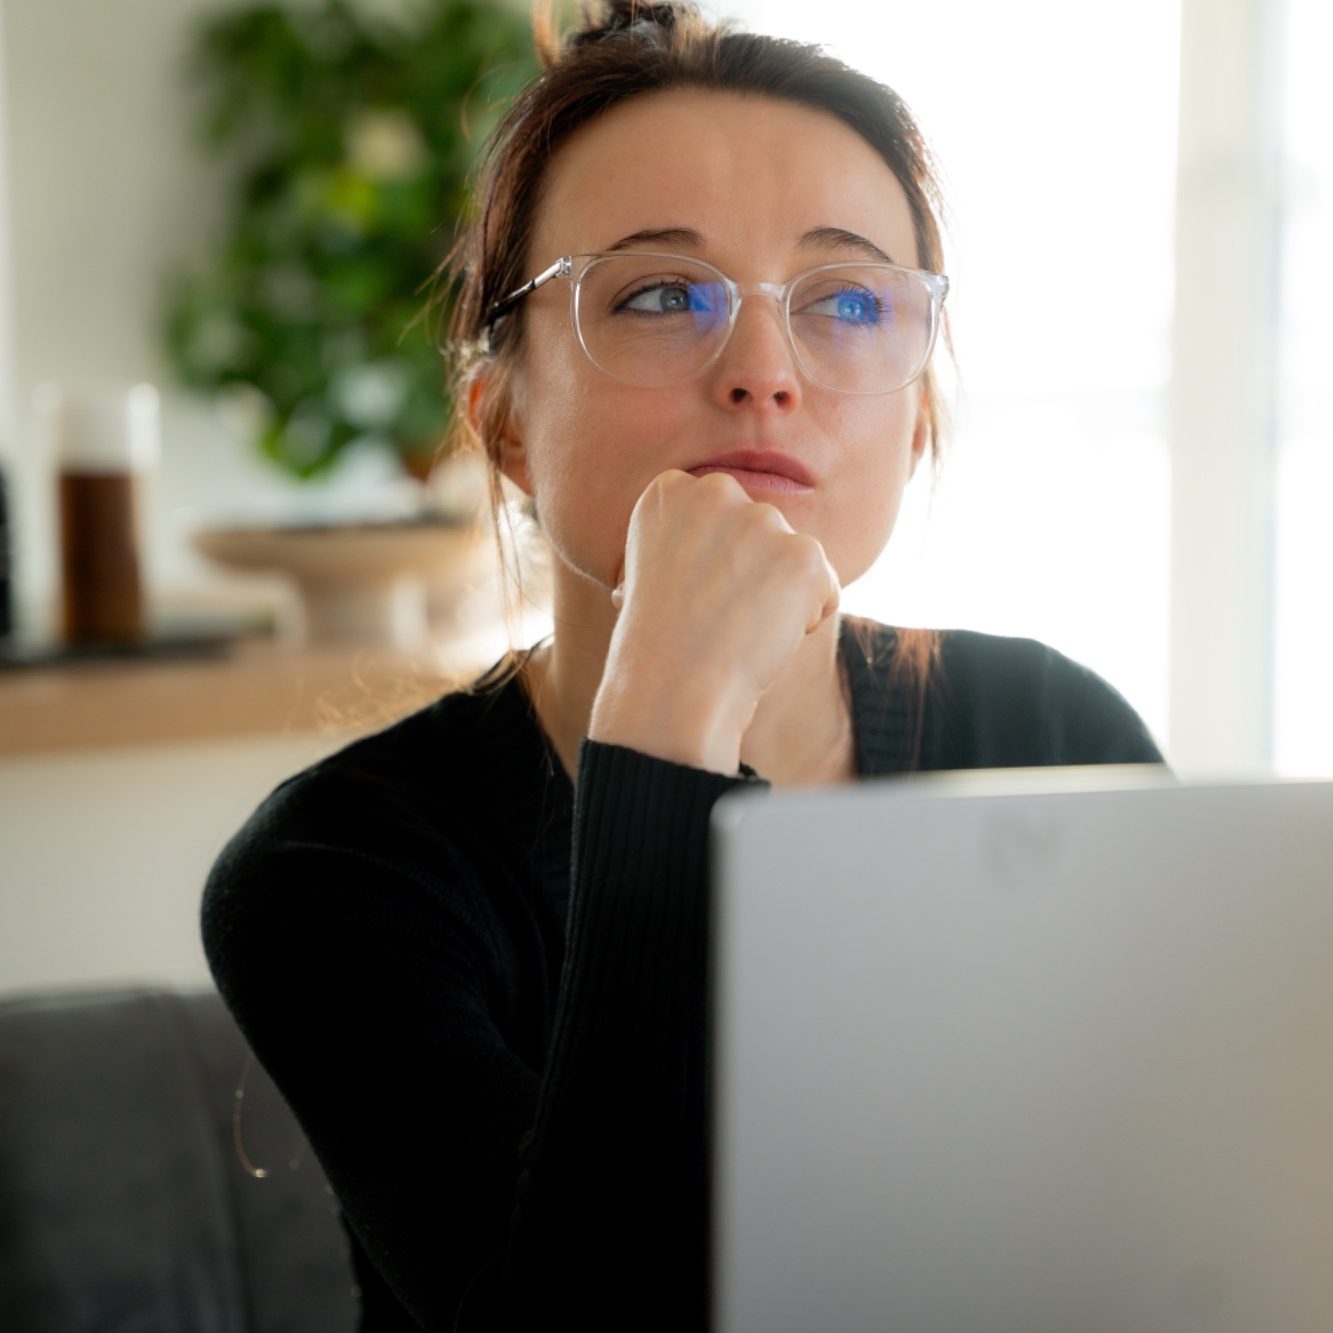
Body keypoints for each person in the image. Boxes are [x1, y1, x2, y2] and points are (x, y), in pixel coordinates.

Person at [202, 3, 1164, 1329]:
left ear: (920, 418)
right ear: (504, 427)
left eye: (844, 299)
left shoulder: (1050, 732)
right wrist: (658, 730)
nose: (764, 370)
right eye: (661, 294)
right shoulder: (341, 871)